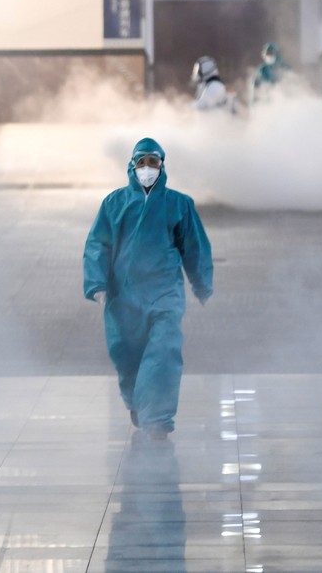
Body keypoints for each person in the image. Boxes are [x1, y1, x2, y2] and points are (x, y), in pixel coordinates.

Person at [83, 137, 213, 440]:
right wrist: (97, 283)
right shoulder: (114, 203)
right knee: (127, 356)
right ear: (132, 166)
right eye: (141, 162)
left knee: (164, 350)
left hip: (164, 293)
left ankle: (158, 419)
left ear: (162, 165)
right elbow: (97, 245)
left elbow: (194, 246)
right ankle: (138, 402)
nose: (146, 168)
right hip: (123, 296)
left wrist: (201, 283)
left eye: (152, 162)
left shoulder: (179, 204)